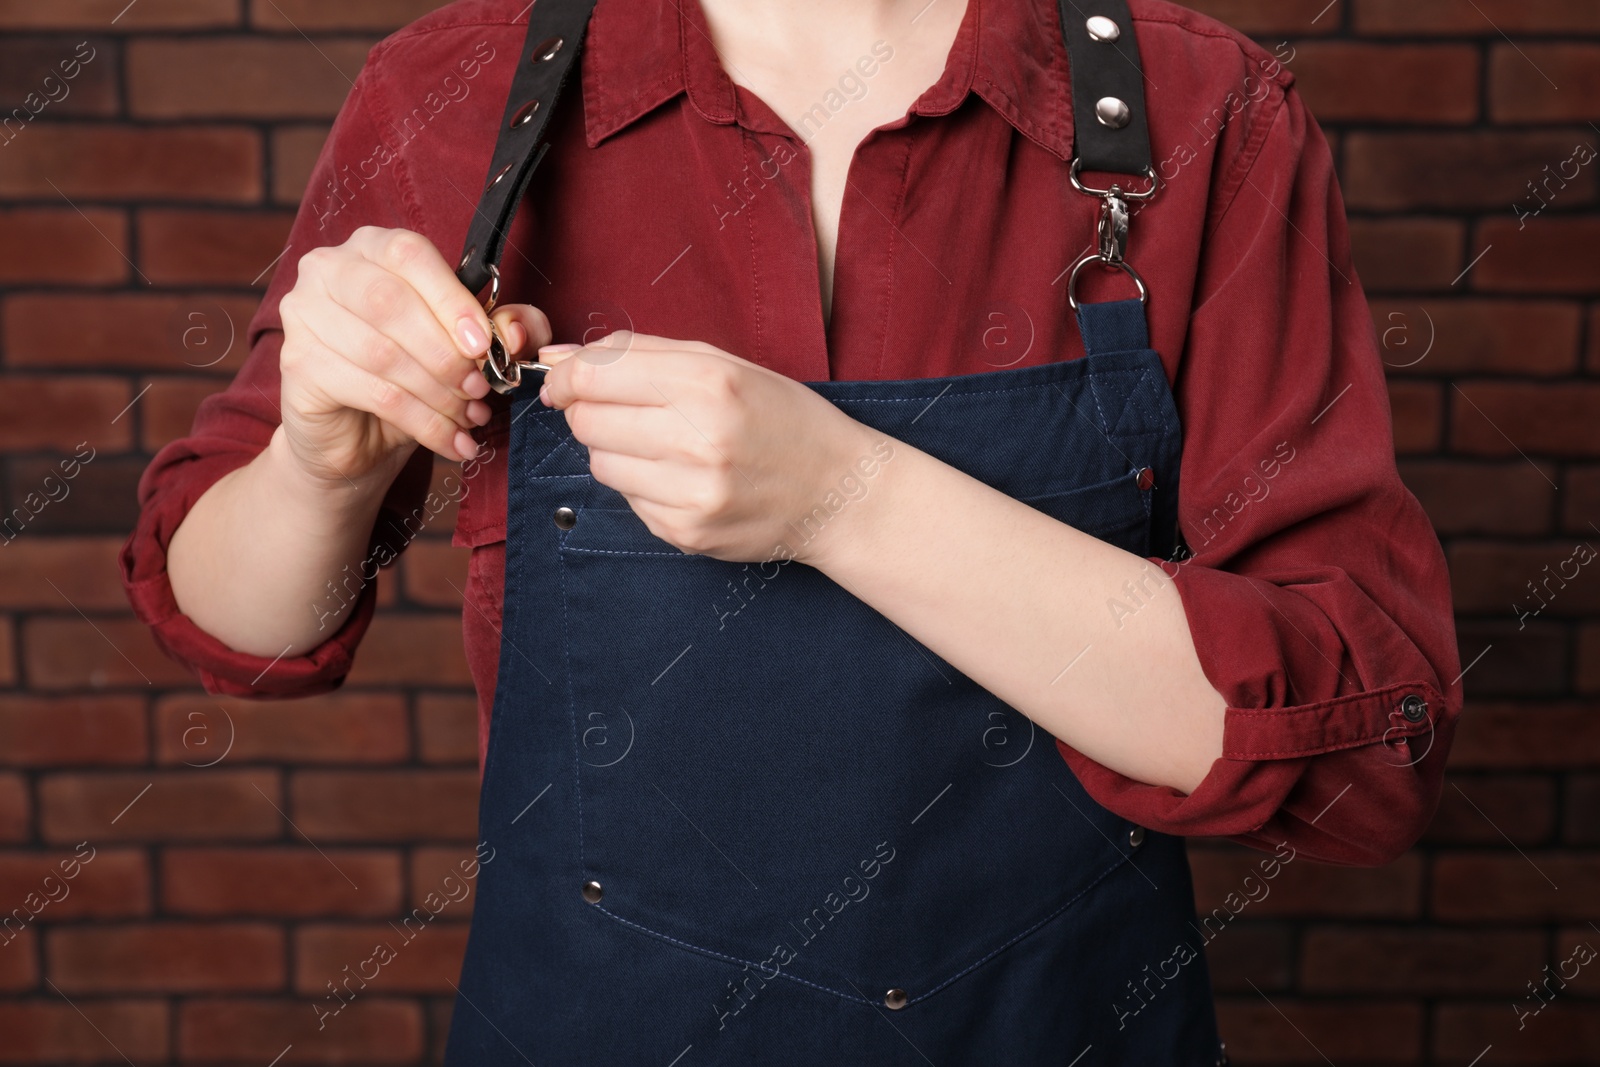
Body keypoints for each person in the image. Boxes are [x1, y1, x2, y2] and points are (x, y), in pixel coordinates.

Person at [120, 0, 1460, 1062]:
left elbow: (1367, 745)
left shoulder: (1207, 113)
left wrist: (845, 497)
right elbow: (235, 625)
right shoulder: (449, 93)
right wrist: (317, 464)